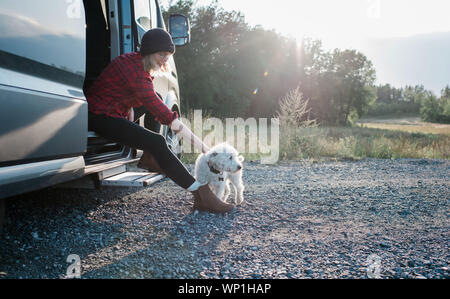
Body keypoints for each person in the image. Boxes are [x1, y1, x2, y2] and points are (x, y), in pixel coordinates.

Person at [85, 28, 234, 214]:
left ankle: (150, 157)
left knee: (155, 95)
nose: (165, 59)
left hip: (111, 109)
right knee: (158, 141)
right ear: (149, 52)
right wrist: (207, 150)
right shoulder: (136, 72)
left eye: (168, 55)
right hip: (99, 115)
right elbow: (166, 116)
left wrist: (129, 107)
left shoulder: (134, 62)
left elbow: (123, 90)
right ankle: (200, 194)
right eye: (162, 54)